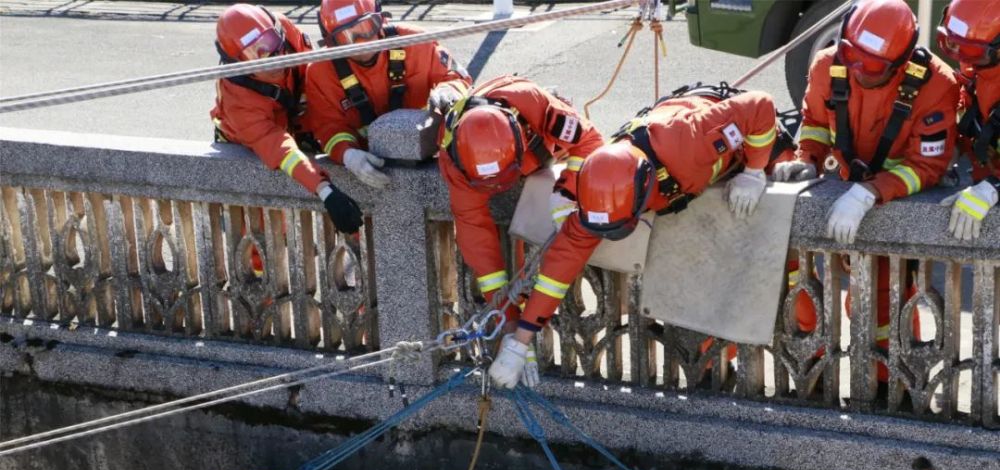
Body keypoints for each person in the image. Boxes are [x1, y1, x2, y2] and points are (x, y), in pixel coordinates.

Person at [488, 87, 779, 389]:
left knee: (777, 278)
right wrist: (519, 342)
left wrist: (754, 170)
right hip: (688, 182)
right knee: (693, 298)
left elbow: (759, 106)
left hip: (740, 149)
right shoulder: (598, 193)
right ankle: (716, 373)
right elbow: (558, 270)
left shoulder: (690, 140)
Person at [771, 0, 960, 389]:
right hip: (842, 189)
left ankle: (895, 388)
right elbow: (815, 123)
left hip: (892, 204)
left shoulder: (937, 85)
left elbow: (928, 166)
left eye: (871, 66)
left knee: (883, 306)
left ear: (901, 62)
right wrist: (807, 159)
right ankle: (813, 382)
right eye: (852, 56)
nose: (857, 70)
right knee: (816, 297)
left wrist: (871, 193)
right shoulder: (828, 64)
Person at [438, 75, 606, 385]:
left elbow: (590, 141)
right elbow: (481, 252)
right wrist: (510, 327)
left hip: (545, 149)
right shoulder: (455, 160)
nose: (501, 188)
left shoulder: (532, 103)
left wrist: (568, 192)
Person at [211, 4, 362, 235]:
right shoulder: (237, 99)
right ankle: (259, 268)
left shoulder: (287, 33)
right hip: (246, 144)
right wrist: (325, 191)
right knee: (259, 226)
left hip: (294, 120)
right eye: (256, 56)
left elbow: (314, 72)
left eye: (271, 45)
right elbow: (280, 148)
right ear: (238, 65)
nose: (272, 60)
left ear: (278, 32)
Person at [306, 0, 472, 190]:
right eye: (346, 36)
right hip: (369, 171)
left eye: (365, 27)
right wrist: (347, 155)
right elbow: (328, 128)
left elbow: (459, 79)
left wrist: (449, 90)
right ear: (331, 42)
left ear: (380, 20)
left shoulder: (415, 42)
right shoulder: (321, 72)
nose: (361, 42)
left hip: (430, 160)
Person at [936, 0, 1000, 240]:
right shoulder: (978, 69)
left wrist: (994, 188)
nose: (964, 59)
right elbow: (973, 117)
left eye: (971, 51)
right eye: (954, 45)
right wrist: (952, 148)